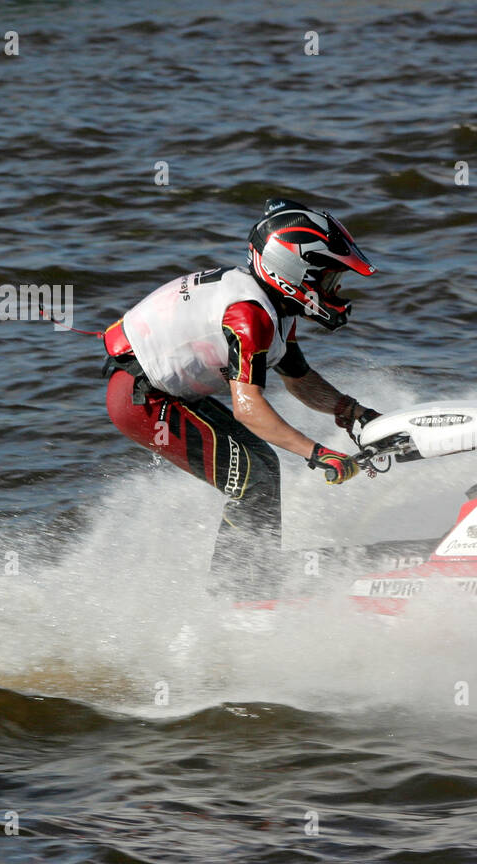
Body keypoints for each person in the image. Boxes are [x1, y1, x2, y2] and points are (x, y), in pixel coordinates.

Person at [102, 198, 382, 591]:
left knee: (261, 466)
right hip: (140, 400)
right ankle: (236, 591)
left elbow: (298, 379)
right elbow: (248, 408)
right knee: (254, 478)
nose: (335, 292)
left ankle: (252, 573)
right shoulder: (249, 315)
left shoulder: (271, 306)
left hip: (162, 391)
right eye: (330, 280)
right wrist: (318, 453)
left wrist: (352, 412)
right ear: (294, 273)